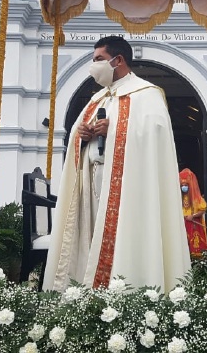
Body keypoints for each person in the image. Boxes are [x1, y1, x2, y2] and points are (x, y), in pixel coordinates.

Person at [43, 36, 190, 292]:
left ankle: (128, 291)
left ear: (118, 60)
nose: (94, 66)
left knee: (125, 240)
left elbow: (152, 137)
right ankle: (85, 290)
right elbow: (78, 137)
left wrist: (112, 131)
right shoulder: (97, 99)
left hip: (129, 190)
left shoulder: (147, 95)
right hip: (94, 186)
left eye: (99, 59)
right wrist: (84, 137)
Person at [179, 168, 207, 254]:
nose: (184, 187)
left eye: (186, 185)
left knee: (196, 248)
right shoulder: (178, 198)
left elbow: (203, 210)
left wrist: (193, 216)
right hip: (182, 225)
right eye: (182, 185)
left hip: (194, 225)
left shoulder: (197, 198)